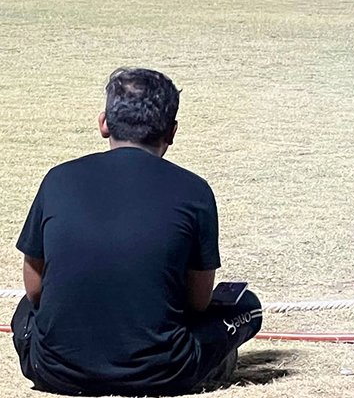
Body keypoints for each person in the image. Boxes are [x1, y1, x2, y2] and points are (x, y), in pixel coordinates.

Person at [11, 68, 262, 395]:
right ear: (171, 132)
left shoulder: (57, 179)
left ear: (104, 123)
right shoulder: (195, 192)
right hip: (163, 373)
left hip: (53, 371)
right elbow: (198, 303)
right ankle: (214, 361)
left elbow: (34, 290)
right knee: (248, 307)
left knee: (23, 309)